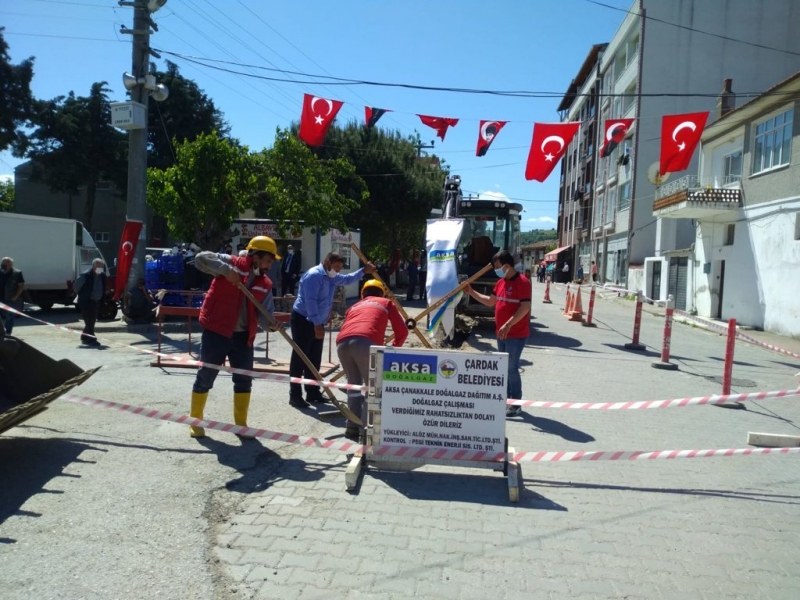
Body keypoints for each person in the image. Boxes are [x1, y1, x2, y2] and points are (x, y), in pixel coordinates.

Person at [188, 236, 280, 438]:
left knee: (244, 379)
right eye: (269, 259)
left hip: (242, 337)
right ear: (256, 256)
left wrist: (272, 325)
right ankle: (195, 421)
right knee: (206, 376)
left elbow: (264, 315)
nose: (270, 264)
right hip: (217, 331)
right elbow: (201, 259)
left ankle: (241, 424)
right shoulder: (232, 263)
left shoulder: (265, 284)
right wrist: (226, 271)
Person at [289, 252, 376, 409]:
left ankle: (313, 391)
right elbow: (310, 302)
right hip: (304, 319)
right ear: (327, 262)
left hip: (317, 321)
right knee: (300, 357)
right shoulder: (314, 276)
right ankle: (295, 395)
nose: (337, 271)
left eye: (339, 268)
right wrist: (316, 324)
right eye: (336, 267)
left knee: (314, 358)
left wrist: (363, 271)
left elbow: (347, 279)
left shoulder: (331, 276)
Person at [336, 279, 408, 440]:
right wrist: (393, 349)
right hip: (366, 344)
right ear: (381, 292)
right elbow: (402, 332)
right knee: (372, 387)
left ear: (363, 294)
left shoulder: (353, 306)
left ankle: (351, 427)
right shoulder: (386, 302)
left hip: (342, 344)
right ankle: (366, 429)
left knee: (353, 385)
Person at [465, 250, 531, 418]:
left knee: (512, 368)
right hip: (501, 333)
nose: (496, 269)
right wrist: (471, 292)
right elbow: (490, 302)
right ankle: (507, 399)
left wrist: (508, 324)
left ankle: (515, 403)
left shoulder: (523, 282)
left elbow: (525, 307)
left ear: (506, 266)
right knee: (505, 368)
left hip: (515, 333)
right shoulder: (500, 283)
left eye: (497, 266)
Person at [73, 259, 107, 346]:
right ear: (93, 266)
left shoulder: (102, 276)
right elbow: (76, 287)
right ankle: (92, 340)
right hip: (86, 302)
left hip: (97, 302)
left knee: (91, 322)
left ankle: (84, 337)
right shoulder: (85, 275)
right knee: (89, 322)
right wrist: (83, 295)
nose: (100, 268)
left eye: (101, 266)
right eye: (98, 266)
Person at [0, 257, 25, 335]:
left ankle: (8, 332)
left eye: (5, 263)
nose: (3, 265)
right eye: (3, 263)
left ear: (10, 264)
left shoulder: (17, 273)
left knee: (9, 316)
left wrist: (16, 297)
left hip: (10, 298)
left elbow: (21, 286)